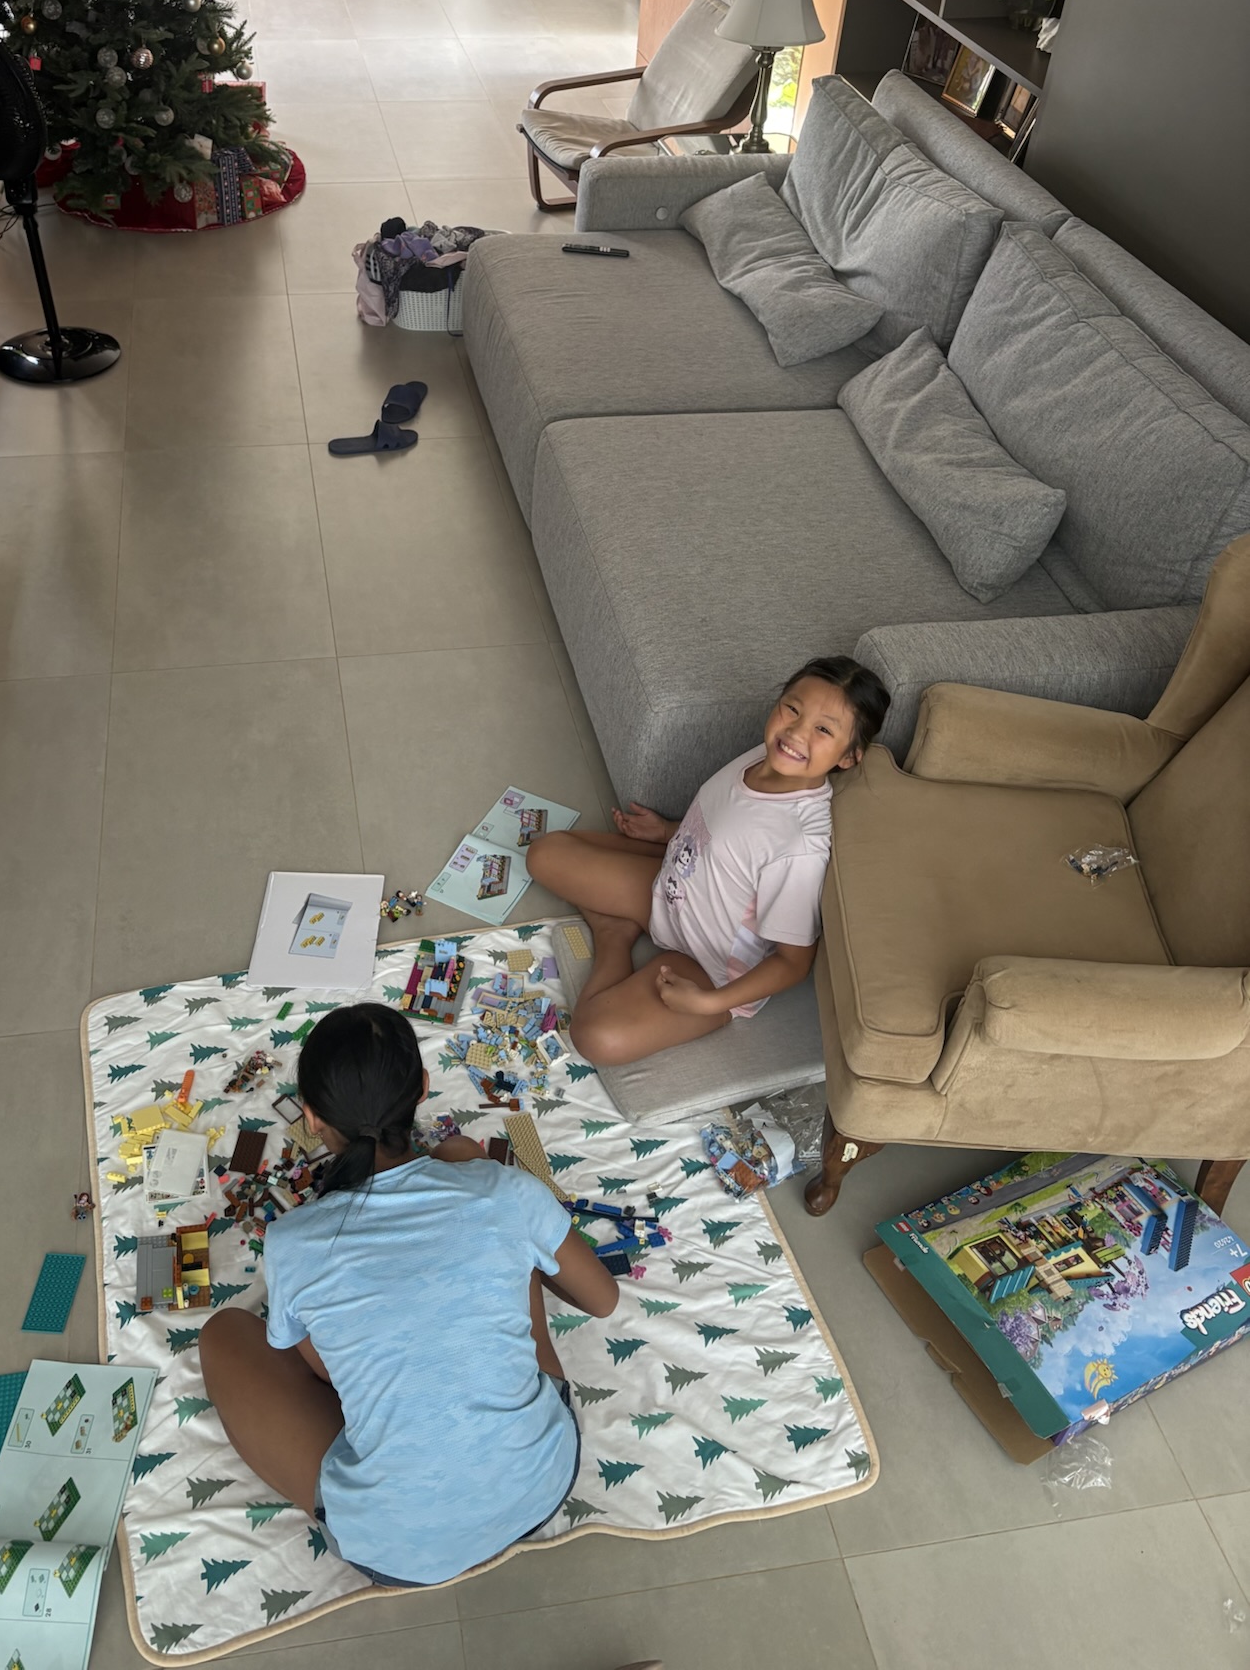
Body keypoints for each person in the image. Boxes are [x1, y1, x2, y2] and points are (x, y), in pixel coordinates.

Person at [199, 1004, 619, 1587]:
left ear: (312, 1118)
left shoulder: (291, 1240)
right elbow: (602, 1300)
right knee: (495, 1214)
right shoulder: (503, 1189)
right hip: (544, 1485)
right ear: (422, 1088)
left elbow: (324, 1372)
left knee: (223, 1334)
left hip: (396, 1552)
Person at [526, 657, 890, 1068]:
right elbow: (725, 830)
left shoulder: (800, 845)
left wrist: (708, 1002)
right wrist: (666, 830)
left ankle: (613, 934)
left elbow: (793, 963)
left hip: (709, 966)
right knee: (544, 855)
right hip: (669, 890)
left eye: (823, 729)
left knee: (596, 1038)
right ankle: (622, 922)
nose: (796, 732)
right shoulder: (765, 754)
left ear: (849, 757)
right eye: (792, 708)